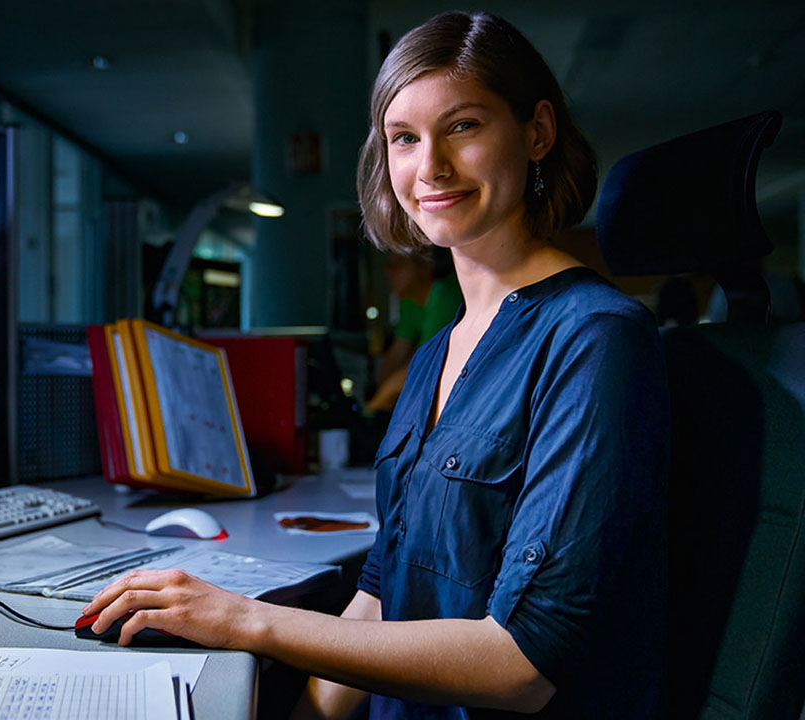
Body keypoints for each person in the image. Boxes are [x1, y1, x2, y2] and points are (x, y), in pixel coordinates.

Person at [81, 11, 668, 718]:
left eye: (463, 126)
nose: (431, 167)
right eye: (404, 138)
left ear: (537, 131)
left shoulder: (596, 338)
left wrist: (245, 621)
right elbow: (381, 599)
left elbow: (524, 666)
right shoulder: (433, 356)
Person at [364, 250, 461, 413]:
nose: (388, 272)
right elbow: (397, 353)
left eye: (397, 265)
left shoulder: (443, 296)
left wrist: (372, 408)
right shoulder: (409, 297)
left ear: (425, 267)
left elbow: (424, 365)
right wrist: (380, 398)